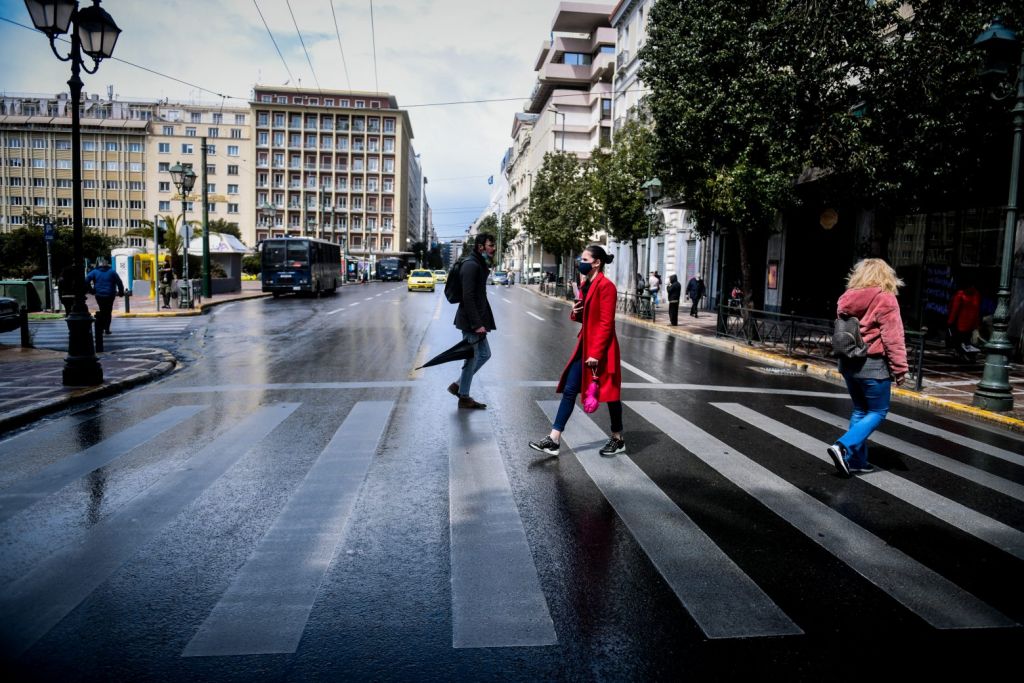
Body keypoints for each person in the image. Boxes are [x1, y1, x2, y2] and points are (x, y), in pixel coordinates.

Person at [529, 244, 625, 457]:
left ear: (596, 263)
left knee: (610, 394)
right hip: (585, 345)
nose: (581, 263)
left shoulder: (606, 286)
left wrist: (596, 354)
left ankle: (618, 438)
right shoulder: (585, 285)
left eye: (585, 260)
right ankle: (554, 439)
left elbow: (606, 323)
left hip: (602, 348)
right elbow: (583, 316)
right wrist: (575, 311)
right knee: (570, 389)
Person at [826, 258, 908, 477]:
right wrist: (900, 369)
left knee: (860, 410)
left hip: (848, 363)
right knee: (878, 411)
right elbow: (893, 338)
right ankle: (843, 446)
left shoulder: (846, 297)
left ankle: (857, 461)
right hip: (873, 364)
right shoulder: (885, 298)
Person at [447, 233, 497, 409]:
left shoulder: (478, 263)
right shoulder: (471, 265)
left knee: (484, 354)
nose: (494, 248)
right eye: (491, 245)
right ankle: (464, 396)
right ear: (480, 246)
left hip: (476, 319)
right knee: (472, 358)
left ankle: (458, 385)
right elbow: (467, 297)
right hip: (470, 322)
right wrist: (477, 324)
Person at [85, 257, 124, 335]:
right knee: (108, 311)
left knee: (102, 310)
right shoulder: (112, 272)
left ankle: (101, 327)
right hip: (110, 295)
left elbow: (86, 280)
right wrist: (121, 292)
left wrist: (91, 290)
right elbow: (119, 282)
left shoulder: (94, 272)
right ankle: (107, 328)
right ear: (107, 265)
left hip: (99, 295)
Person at [947, 283, 981, 360]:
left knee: (957, 340)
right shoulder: (976, 294)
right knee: (967, 340)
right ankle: (969, 355)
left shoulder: (960, 295)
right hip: (971, 323)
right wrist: (976, 324)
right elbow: (977, 310)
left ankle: (961, 354)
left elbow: (955, 310)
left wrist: (950, 322)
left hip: (960, 323)